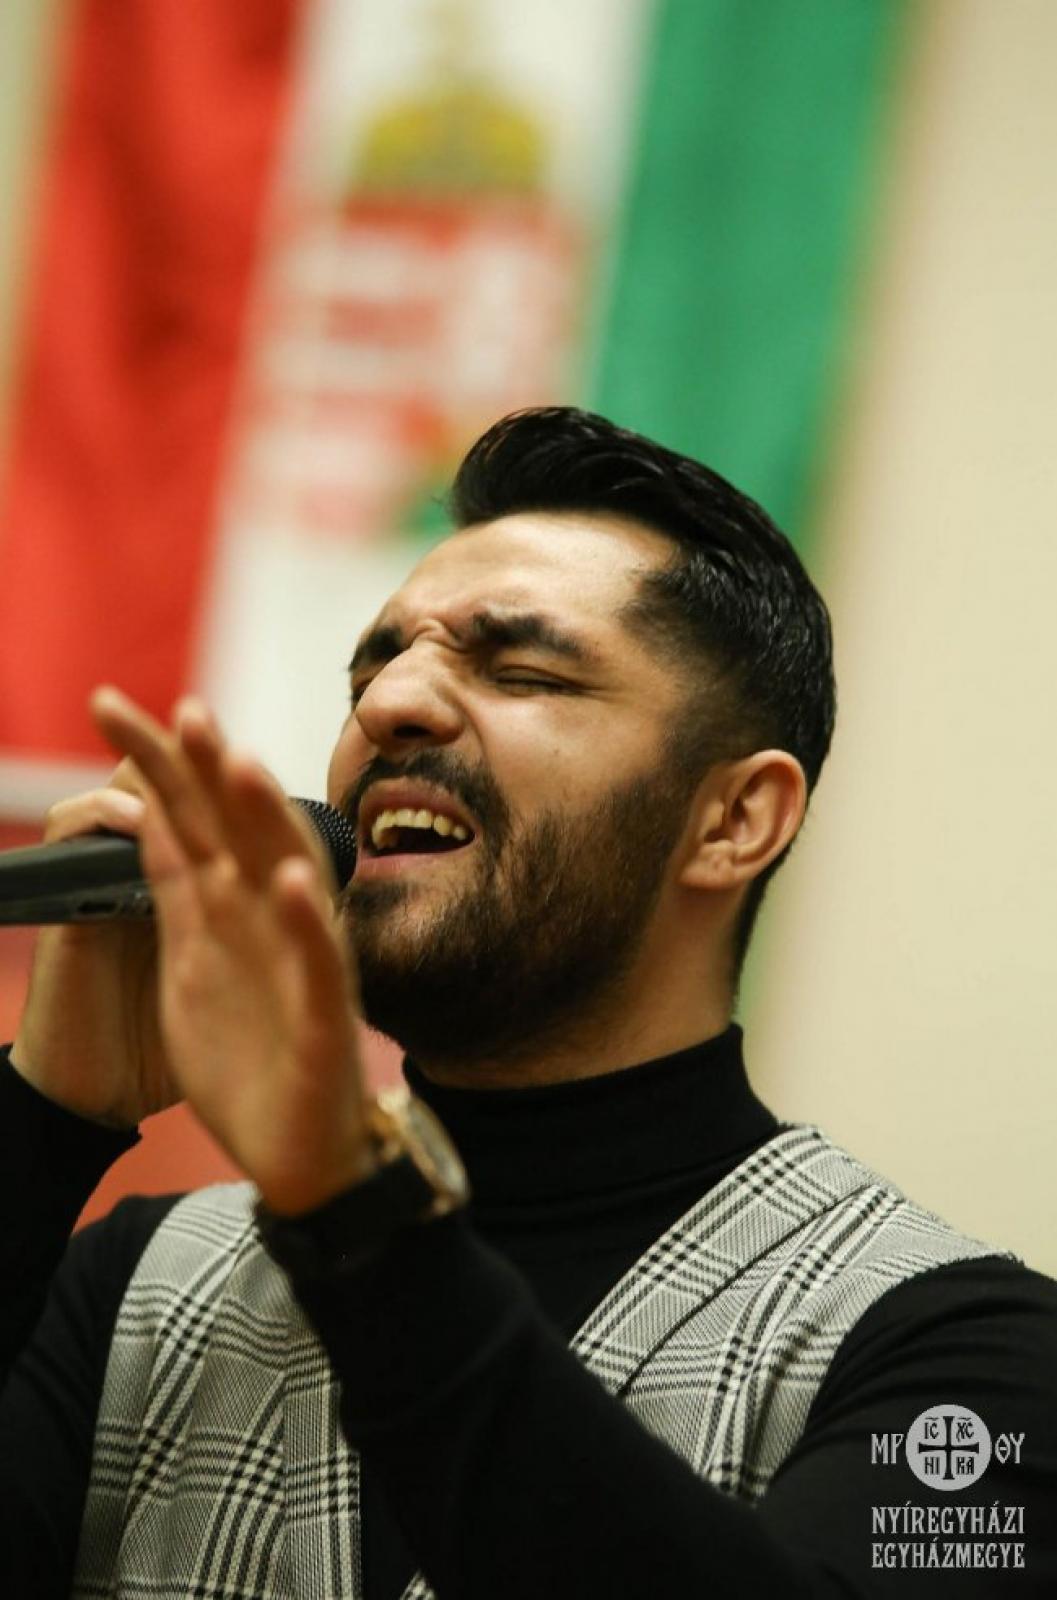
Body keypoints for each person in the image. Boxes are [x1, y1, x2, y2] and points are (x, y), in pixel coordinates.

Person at [1, 406, 1054, 1598]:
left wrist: (352, 1203)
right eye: (374, 669)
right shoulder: (138, 1285)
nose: (390, 704)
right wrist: (42, 1121)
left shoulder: (965, 1356)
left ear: (732, 819)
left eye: (521, 671)